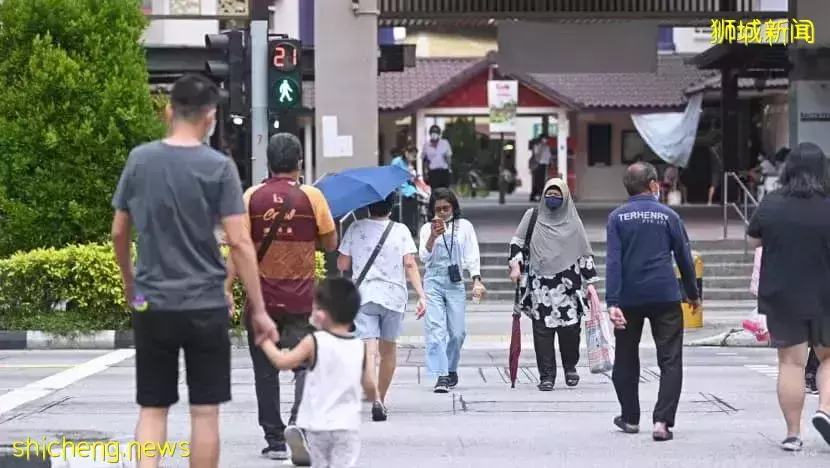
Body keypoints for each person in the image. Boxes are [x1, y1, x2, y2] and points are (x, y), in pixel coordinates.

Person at [111, 74, 277, 468]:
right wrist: (258, 310)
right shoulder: (219, 168)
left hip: (152, 301)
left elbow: (119, 230)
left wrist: (131, 285)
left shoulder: (140, 160)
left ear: (169, 111)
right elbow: (239, 242)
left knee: (152, 409)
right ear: (211, 116)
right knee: (204, 412)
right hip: (205, 304)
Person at [225, 133, 338, 460]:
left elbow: (237, 247)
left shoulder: (251, 197)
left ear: (269, 163)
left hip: (261, 302)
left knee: (265, 371)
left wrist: (226, 289)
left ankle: (274, 440)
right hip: (302, 300)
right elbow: (330, 245)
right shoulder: (313, 197)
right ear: (299, 163)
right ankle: (298, 424)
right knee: (307, 363)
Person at [606, 161, 700, 442]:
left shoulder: (616, 218)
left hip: (629, 298)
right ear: (653, 185)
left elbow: (613, 262)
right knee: (670, 359)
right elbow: (684, 257)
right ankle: (662, 422)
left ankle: (630, 417)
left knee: (625, 357)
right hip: (665, 296)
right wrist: (693, 294)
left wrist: (612, 302)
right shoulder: (669, 216)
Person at [746, 142, 830, 451]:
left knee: (791, 364)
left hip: (783, 295)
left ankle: (793, 434)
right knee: (829, 358)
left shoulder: (772, 203)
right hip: (826, 294)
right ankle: (825, 412)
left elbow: (754, 239)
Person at [260, 278, 378, 468]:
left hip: (317, 425)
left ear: (322, 315)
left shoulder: (314, 341)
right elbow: (371, 387)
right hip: (346, 426)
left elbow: (283, 362)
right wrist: (370, 397)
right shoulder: (361, 347)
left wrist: (265, 341)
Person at [337, 194, 427, 421]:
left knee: (368, 351)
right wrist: (422, 296)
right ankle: (381, 399)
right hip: (394, 298)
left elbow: (343, 264)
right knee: (389, 352)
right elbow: (409, 264)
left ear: (367, 206)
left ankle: (372, 395)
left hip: (365, 297)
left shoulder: (355, 228)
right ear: (391, 207)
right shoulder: (401, 230)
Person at [508, 178, 599, 391]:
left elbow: (583, 253)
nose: (553, 198)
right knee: (542, 333)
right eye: (549, 194)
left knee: (570, 332)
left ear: (566, 197)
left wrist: (591, 284)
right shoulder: (532, 217)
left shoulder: (574, 222)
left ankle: (570, 367)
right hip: (541, 286)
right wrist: (515, 265)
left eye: (558, 195)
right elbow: (517, 243)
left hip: (569, 287)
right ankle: (546, 375)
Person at [418, 188, 485, 393]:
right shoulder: (427, 228)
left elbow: (472, 254)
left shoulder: (464, 227)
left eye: (446, 208)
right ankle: (442, 375)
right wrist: (432, 237)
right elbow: (423, 257)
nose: (443, 212)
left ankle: (451, 367)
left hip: (455, 281)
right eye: (438, 209)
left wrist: (476, 280)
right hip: (433, 281)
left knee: (457, 333)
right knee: (436, 330)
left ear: (453, 207)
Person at [390, 146, 420, 237]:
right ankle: (406, 229)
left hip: (409, 188)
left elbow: (411, 178)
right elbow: (393, 176)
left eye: (415, 156)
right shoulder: (397, 162)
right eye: (412, 155)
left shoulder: (409, 163)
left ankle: (412, 229)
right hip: (400, 189)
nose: (413, 158)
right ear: (406, 153)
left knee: (416, 199)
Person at [422, 125, 453, 189]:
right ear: (430, 133)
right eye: (433, 132)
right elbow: (424, 160)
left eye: (436, 132)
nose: (434, 134)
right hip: (433, 173)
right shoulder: (426, 145)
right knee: (435, 193)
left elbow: (449, 158)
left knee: (444, 192)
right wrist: (425, 174)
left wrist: (450, 169)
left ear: (439, 134)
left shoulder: (445, 143)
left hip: (444, 171)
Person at [529, 135, 552, 202]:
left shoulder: (547, 147)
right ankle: (535, 195)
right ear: (541, 139)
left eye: (546, 139)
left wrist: (550, 162)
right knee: (537, 180)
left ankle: (537, 195)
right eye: (544, 139)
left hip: (545, 164)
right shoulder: (537, 146)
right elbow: (536, 154)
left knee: (541, 180)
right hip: (538, 164)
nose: (545, 140)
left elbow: (549, 155)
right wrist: (541, 147)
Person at [707, 134, 724, 205]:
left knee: (713, 185)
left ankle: (709, 201)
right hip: (720, 168)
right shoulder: (719, 147)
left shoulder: (711, 149)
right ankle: (722, 200)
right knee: (722, 185)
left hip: (715, 169)